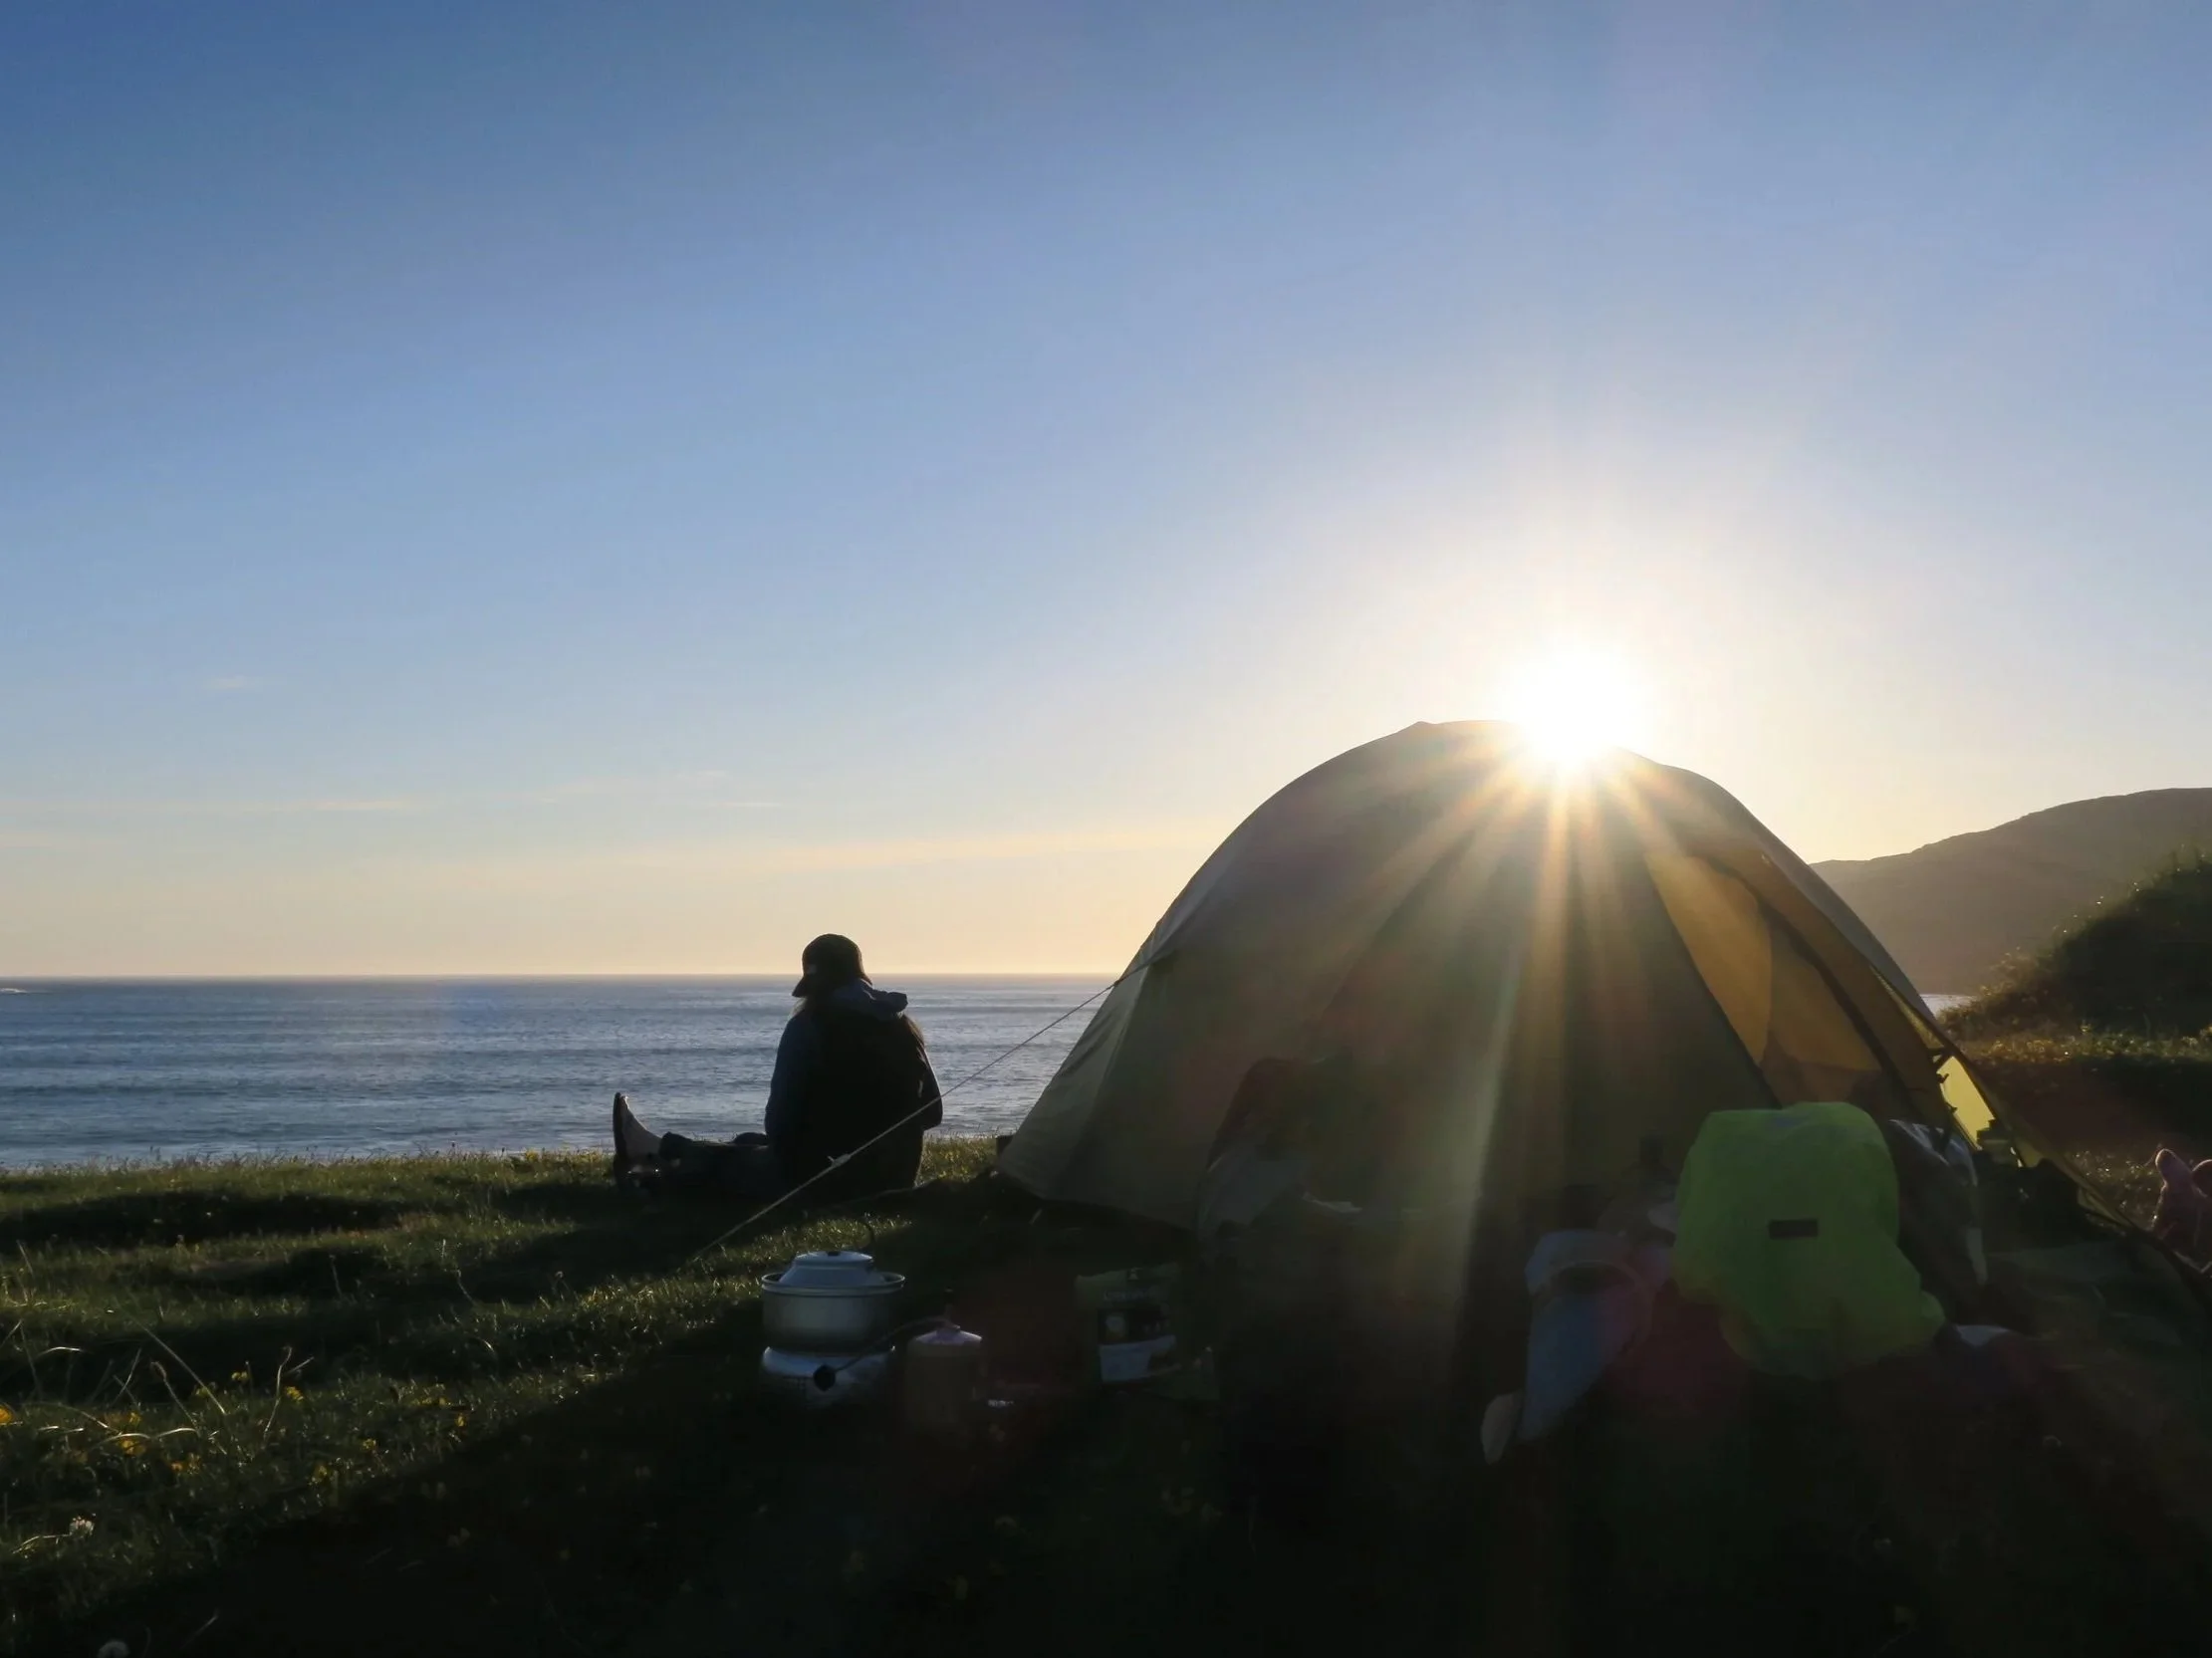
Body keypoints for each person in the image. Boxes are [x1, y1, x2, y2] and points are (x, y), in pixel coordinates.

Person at [611, 935, 944, 1201]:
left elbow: (780, 1124)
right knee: (746, 1142)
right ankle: (662, 1158)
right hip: (897, 1176)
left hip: (823, 1180)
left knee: (740, 1161)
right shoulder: (901, 1026)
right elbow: (933, 1113)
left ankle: (653, 1150)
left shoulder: (811, 1025)